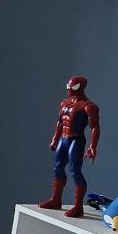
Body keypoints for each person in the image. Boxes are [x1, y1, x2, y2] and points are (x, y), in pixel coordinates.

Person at [39, 75, 100, 217]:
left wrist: (92, 146)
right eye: (68, 85)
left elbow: (95, 127)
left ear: (81, 87)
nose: (69, 89)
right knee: (58, 168)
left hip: (76, 140)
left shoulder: (88, 106)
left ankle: (78, 207)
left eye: (73, 86)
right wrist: (55, 139)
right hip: (63, 139)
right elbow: (60, 122)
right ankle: (56, 200)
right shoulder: (64, 103)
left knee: (75, 171)